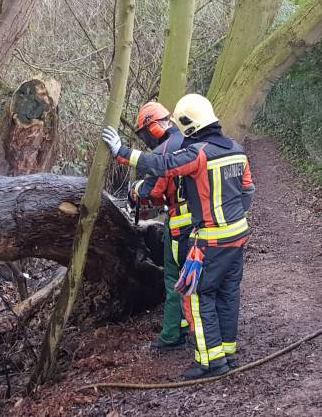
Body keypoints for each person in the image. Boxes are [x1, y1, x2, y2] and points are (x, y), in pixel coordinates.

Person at [103, 94, 255, 379]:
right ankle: (227, 351)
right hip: (238, 235)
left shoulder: (199, 153)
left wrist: (122, 152)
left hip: (210, 239)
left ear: (190, 125)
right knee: (228, 293)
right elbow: (248, 191)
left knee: (197, 295)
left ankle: (211, 362)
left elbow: (162, 165)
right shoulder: (236, 149)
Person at [129, 101, 192, 350]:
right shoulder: (193, 141)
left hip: (179, 224)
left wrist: (136, 190)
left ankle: (170, 335)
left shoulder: (163, 152)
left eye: (145, 133)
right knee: (195, 277)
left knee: (174, 278)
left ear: (153, 127)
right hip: (204, 224)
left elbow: (152, 193)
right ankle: (188, 324)